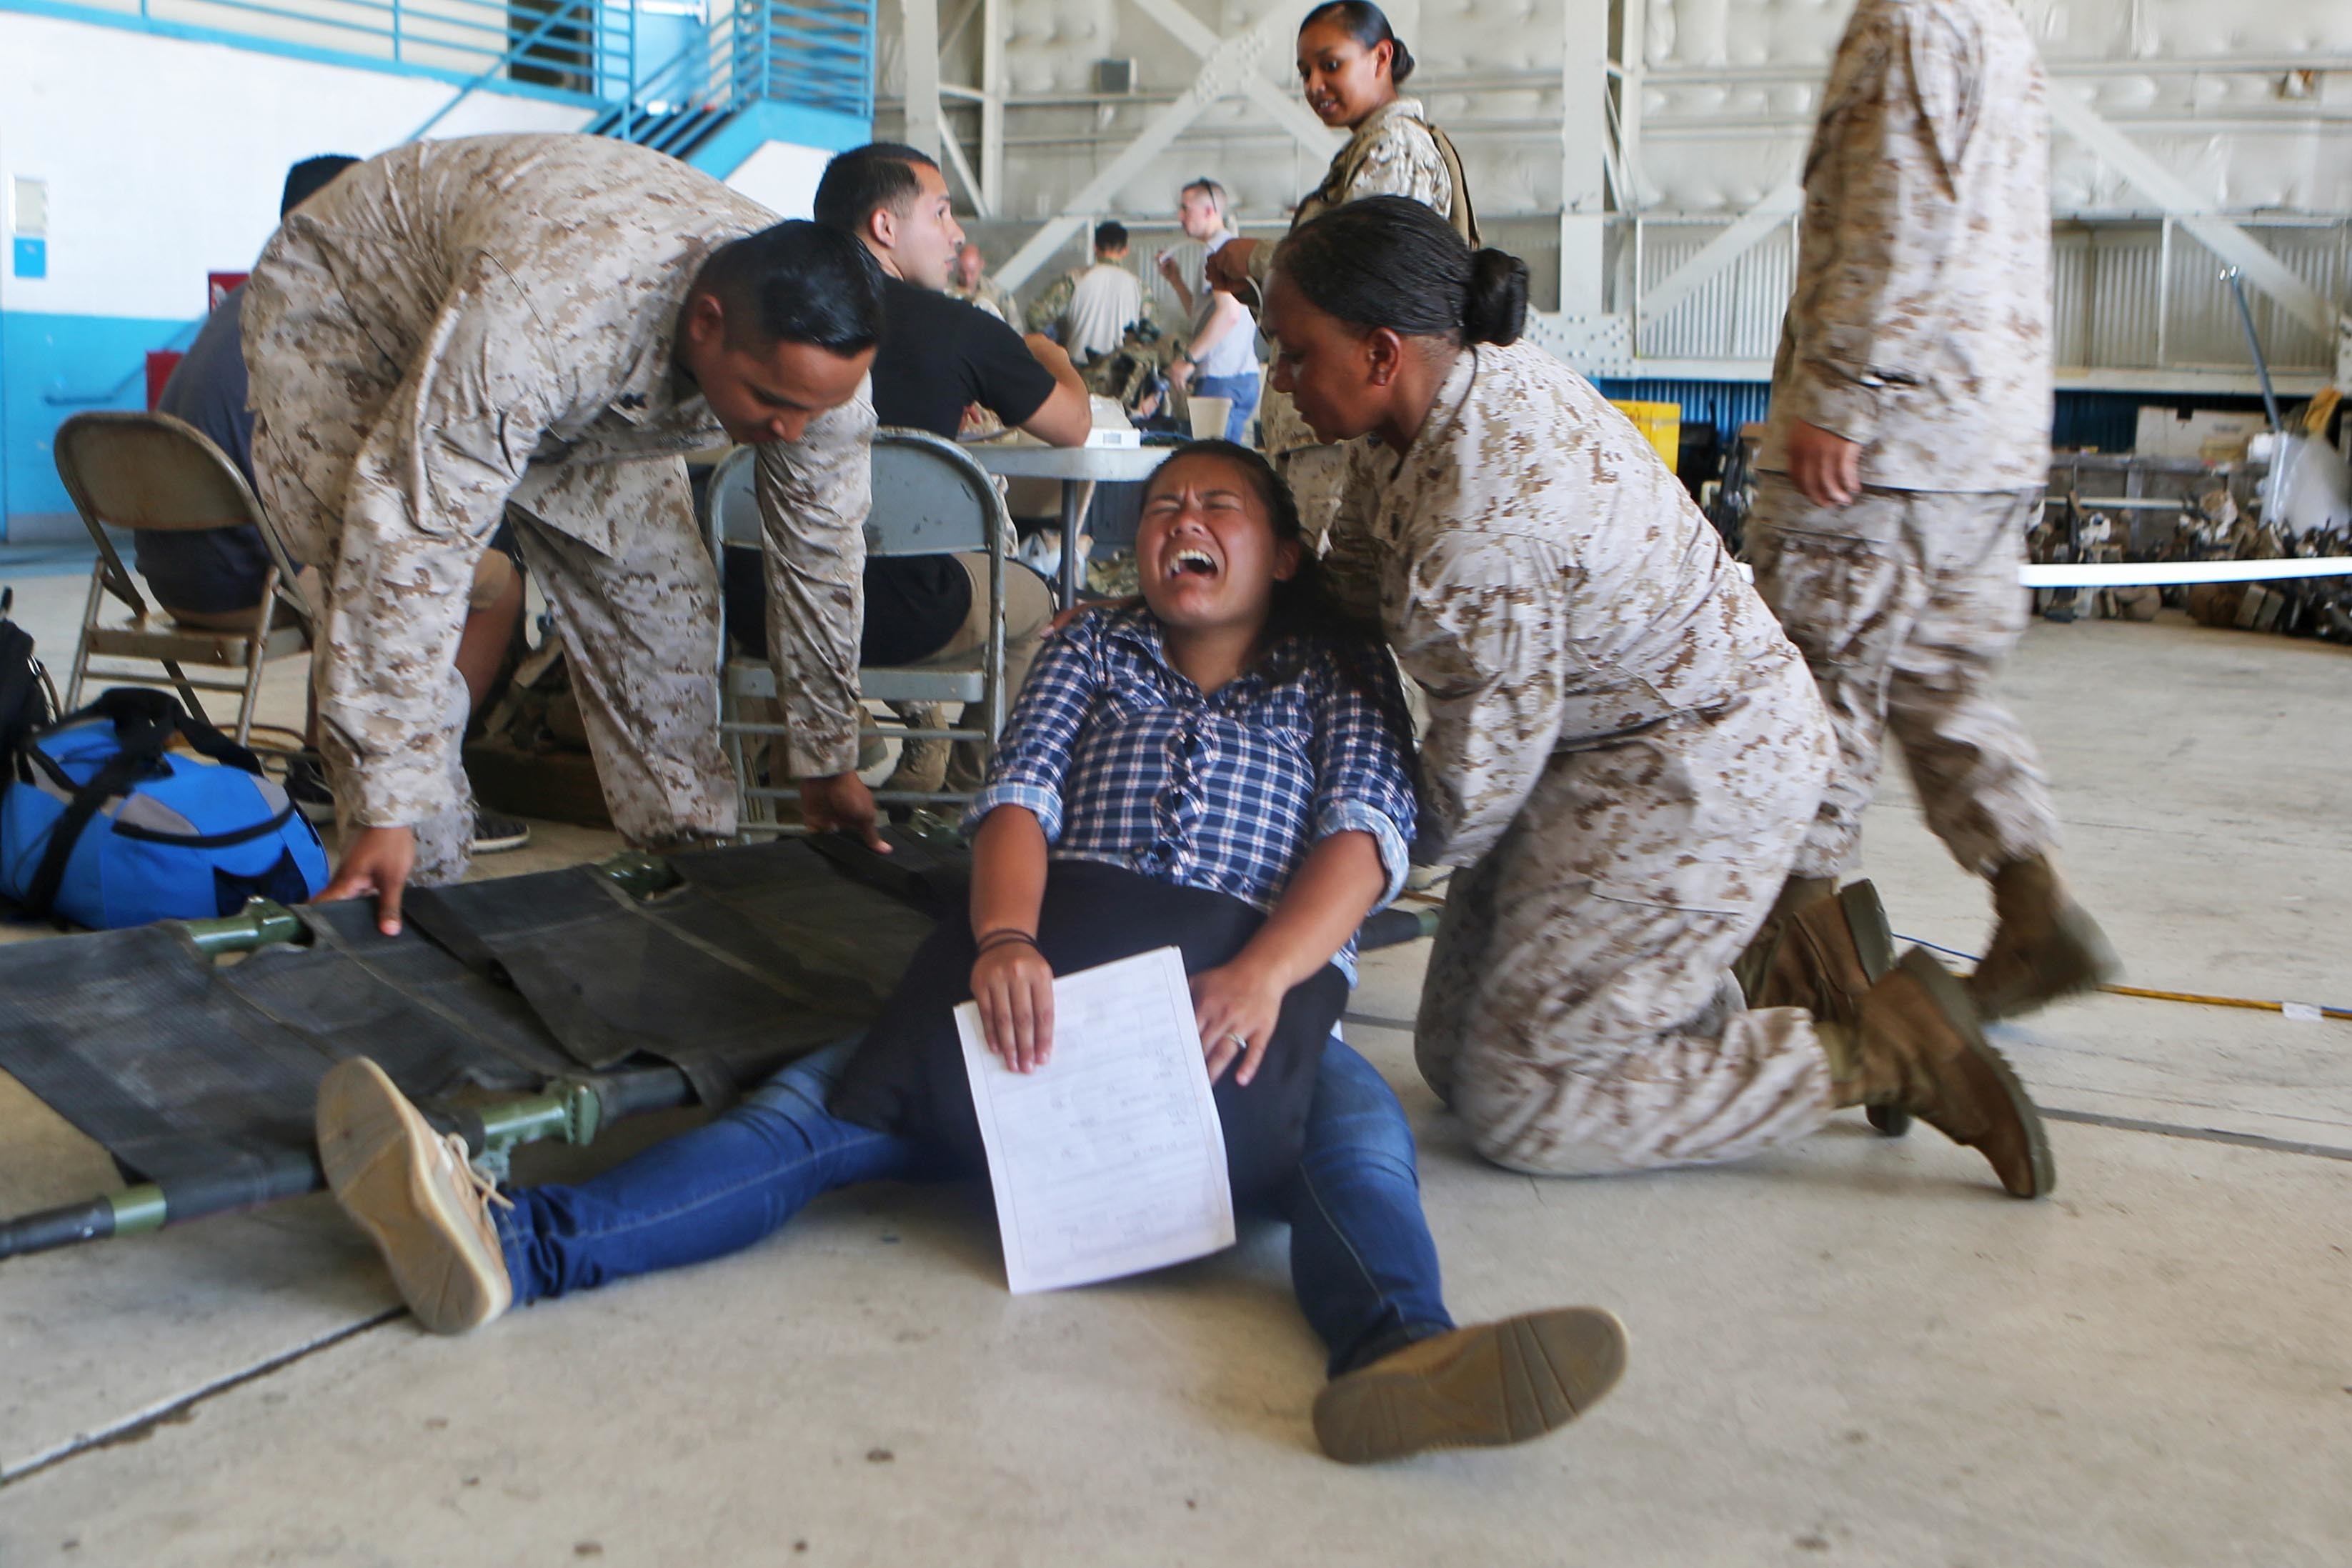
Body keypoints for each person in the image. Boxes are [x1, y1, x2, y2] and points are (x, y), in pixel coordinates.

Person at [312, 443, 1629, 1466]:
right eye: (1163, 507)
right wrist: (1003, 937)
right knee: (803, 1116)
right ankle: (520, 1246)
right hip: (1038, 994)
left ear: (1282, 553)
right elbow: (1022, 795)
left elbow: (1365, 833)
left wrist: (1266, 975)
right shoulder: (1093, 644)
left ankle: (1400, 1354)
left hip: (1236, 1009)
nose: (1181, 521)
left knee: (1359, 1145)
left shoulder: (1335, 677)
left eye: (1218, 506)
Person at [1262, 196, 2054, 1199]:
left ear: (1380, 352)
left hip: (1696, 765)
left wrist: (1322, 866)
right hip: (1591, 749)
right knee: (1455, 1054)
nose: (1279, 377)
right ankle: (1765, 981)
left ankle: (1884, 1047)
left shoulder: (1482, 521)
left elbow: (1470, 792)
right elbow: (1353, 581)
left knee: (1522, 1095)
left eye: (1295, 353)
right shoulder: (1431, 396)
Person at [243, 134, 892, 936]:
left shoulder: (818, 382)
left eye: (813, 410)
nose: (791, 430)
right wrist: (385, 798)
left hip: (569, 350)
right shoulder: (546, 323)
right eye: (770, 401)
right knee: (401, 617)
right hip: (357, 312)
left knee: (666, 606)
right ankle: (416, 908)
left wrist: (825, 757)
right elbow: (412, 536)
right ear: (708, 324)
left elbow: (821, 555)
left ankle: (690, 885)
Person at [1742, 0, 2118, 1022]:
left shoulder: (1905, 21)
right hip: (1983, 438)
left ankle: (1797, 964)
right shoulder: (1994, 25)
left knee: (1809, 691)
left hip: (1889, 448)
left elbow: (1894, 213)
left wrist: (1839, 393)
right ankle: (2036, 907)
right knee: (1939, 682)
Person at [149, 154, 531, 854]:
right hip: (258, 580)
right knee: (484, 580)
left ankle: (323, 769)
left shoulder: (238, 305)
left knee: (333, 545)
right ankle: (428, 789)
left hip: (174, 577)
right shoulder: (336, 319)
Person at [786, 142, 1088, 794]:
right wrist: (1051, 355)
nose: (956, 235)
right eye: (942, 213)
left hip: (766, 604)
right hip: (903, 611)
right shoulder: (960, 328)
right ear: (885, 226)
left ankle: (777, 785)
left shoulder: (770, 313)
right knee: (1037, 601)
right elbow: (1073, 426)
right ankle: (971, 801)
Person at [1204, 0, 1475, 544]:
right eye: (1305, 71)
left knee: (1334, 580)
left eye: (1331, 65)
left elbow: (1364, 280)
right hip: (1321, 434)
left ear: (1381, 57)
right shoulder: (1365, 152)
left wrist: (1256, 257)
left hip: (1343, 443)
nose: (1314, 85)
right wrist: (1259, 288)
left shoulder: (1396, 148)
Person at [1157, 179, 1261, 445]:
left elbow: (1229, 315)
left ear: (1209, 210)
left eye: (1185, 208)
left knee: (1213, 462)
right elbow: (1204, 315)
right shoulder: (1230, 248)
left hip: (1220, 377)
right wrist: (1177, 282)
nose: (1180, 216)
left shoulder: (1217, 252)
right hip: (1242, 375)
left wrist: (1187, 360)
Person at [1056, 222, 1147, 364]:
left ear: (1095, 248)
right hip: (1121, 370)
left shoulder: (1074, 279)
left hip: (1079, 369)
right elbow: (1150, 330)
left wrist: (1058, 340)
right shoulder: (1139, 286)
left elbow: (1036, 316)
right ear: (1125, 251)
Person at [947, 241, 1024, 332]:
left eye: (972, 273)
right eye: (963, 273)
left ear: (982, 265)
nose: (968, 279)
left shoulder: (999, 295)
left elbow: (1016, 330)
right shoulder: (947, 292)